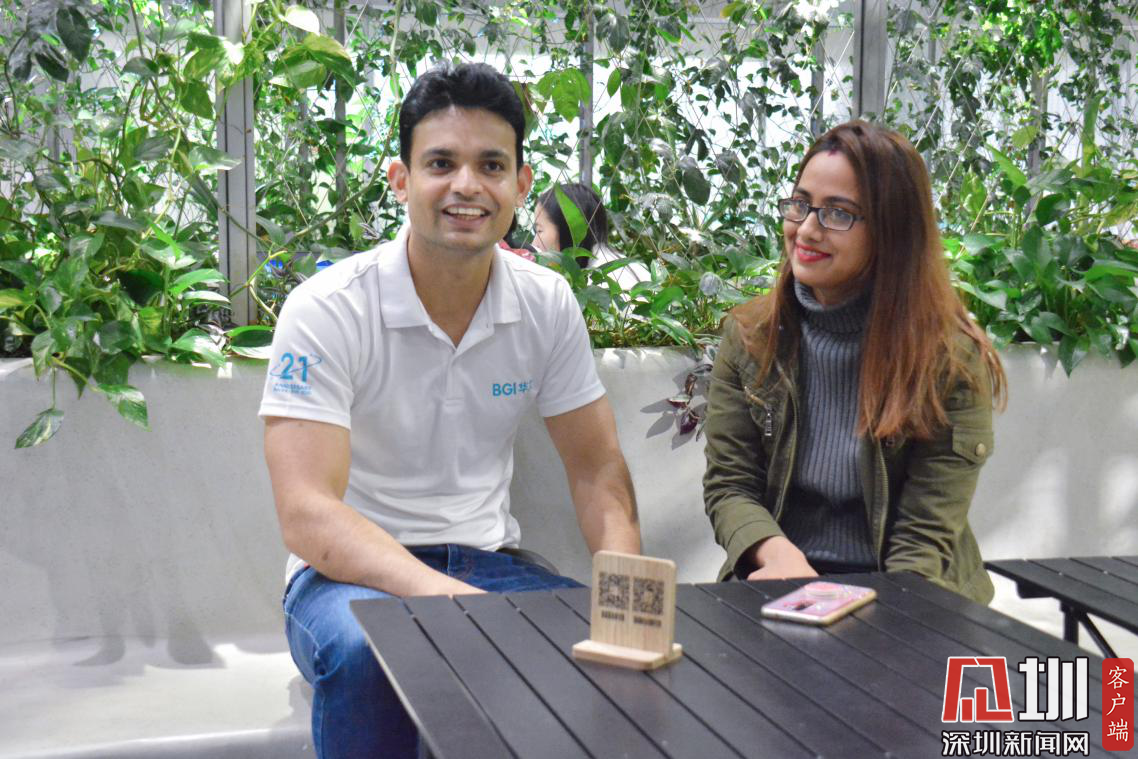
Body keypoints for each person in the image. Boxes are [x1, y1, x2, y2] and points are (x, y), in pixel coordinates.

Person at [260, 62, 641, 759]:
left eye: (491, 165)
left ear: (521, 186)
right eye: (441, 163)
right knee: (376, 653)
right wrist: (449, 601)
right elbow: (307, 512)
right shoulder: (329, 308)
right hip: (342, 581)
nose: (467, 185)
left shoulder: (545, 302)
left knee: (597, 657)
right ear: (400, 180)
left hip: (489, 563)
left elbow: (596, 466)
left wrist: (627, 599)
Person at [702, 120, 1006, 604]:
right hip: (782, 580)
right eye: (800, 204)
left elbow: (924, 538)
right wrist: (779, 558)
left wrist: (869, 615)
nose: (806, 229)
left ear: (891, 232)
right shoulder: (751, 336)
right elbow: (730, 486)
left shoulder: (949, 358)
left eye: (838, 214)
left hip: (908, 591)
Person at [532, 182, 649, 290]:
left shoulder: (593, 285)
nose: (534, 243)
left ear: (567, 229)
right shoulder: (627, 266)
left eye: (539, 230)